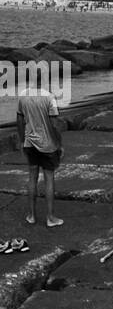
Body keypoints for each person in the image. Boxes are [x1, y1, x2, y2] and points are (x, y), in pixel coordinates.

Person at [16, 87, 64, 228]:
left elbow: (19, 120)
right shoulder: (50, 97)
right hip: (48, 145)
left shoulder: (23, 95)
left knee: (32, 178)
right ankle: (50, 217)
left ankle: (31, 215)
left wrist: (21, 140)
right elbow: (55, 125)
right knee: (49, 178)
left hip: (30, 143)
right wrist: (60, 144)